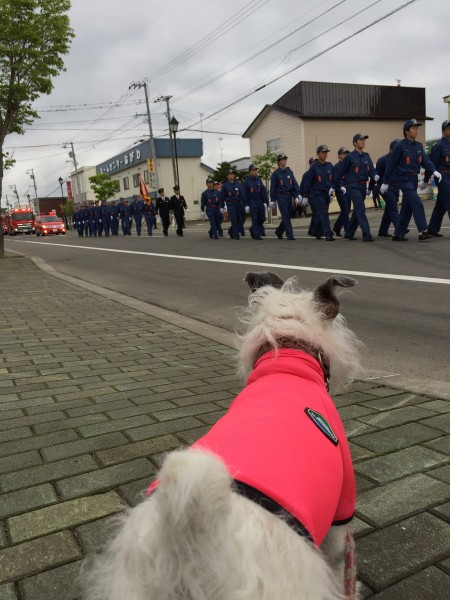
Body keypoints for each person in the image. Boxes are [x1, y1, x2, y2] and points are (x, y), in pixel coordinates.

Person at [382, 119, 441, 241]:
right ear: (406, 131)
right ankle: (423, 231)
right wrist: (385, 182)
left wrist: (434, 171)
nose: (416, 130)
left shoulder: (418, 145)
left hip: (414, 178)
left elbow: (425, 161)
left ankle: (398, 234)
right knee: (417, 202)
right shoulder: (400, 146)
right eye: (413, 128)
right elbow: (391, 165)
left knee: (407, 208)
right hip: (404, 179)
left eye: (417, 128)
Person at [333, 133, 378, 242]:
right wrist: (333, 186)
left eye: (364, 140)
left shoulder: (367, 156)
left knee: (357, 211)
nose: (363, 141)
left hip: (363, 186)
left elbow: (371, 169)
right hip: (353, 186)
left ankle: (349, 232)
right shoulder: (349, 157)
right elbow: (340, 172)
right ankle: (366, 234)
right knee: (361, 209)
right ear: (354, 143)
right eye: (360, 140)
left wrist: (375, 175)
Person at [301, 145, 335, 241]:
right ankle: (328, 233)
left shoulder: (330, 165)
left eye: (326, 152)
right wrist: (306, 196)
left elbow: (333, 179)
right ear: (318, 154)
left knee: (322, 213)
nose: (325, 154)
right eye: (323, 152)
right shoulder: (314, 167)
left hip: (327, 193)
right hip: (317, 194)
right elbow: (307, 183)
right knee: (323, 213)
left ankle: (317, 232)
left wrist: (332, 193)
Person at [425, 119, 450, 237]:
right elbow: (431, 164)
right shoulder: (438, 146)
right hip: (442, 177)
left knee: (441, 204)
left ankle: (432, 228)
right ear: (443, 131)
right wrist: (426, 180)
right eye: (448, 129)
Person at [270, 153, 301, 240]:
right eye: (282, 159)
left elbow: (294, 184)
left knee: (289, 214)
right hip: (281, 196)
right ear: (278, 162)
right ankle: (290, 234)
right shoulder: (275, 174)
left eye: (285, 159)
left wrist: (297, 195)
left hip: (289, 196)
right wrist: (272, 200)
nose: (284, 161)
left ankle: (279, 231)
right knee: (285, 215)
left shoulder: (289, 172)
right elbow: (273, 188)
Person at [376, 139, 401, 237]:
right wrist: (378, 185)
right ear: (390, 149)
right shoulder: (383, 160)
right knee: (393, 208)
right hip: (386, 187)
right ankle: (400, 228)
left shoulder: (399, 160)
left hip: (396, 187)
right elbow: (377, 174)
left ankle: (382, 231)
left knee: (389, 209)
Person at [241, 165, 269, 240]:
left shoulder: (259, 180)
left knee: (262, 218)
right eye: (253, 170)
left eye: (256, 170)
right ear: (249, 171)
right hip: (252, 201)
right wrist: (246, 205)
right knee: (255, 218)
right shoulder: (246, 181)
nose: (255, 171)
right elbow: (244, 194)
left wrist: (266, 202)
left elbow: (263, 191)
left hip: (259, 201)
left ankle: (252, 229)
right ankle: (257, 234)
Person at [332, 147, 351, 237]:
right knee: (345, 210)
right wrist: (341, 187)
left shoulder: (349, 165)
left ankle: (337, 227)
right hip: (341, 191)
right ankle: (348, 231)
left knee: (346, 211)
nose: (345, 155)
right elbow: (336, 178)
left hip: (349, 189)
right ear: (339, 156)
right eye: (343, 153)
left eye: (346, 153)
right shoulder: (336, 167)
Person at [220, 169, 244, 240]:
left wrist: (243, 203)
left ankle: (231, 231)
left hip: (238, 203)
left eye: (233, 174)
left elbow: (241, 194)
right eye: (230, 174)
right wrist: (222, 206)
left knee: (240, 219)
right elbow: (222, 197)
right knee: (234, 219)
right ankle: (236, 235)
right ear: (227, 176)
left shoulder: (237, 184)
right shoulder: (225, 185)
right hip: (230, 204)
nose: (232, 175)